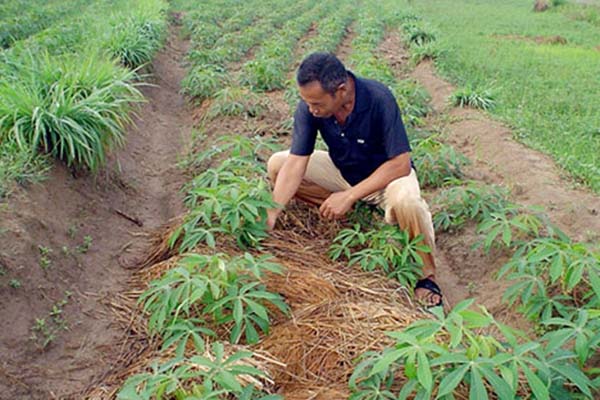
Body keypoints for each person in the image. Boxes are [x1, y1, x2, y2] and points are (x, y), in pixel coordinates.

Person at [266, 52, 442, 307]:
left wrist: (349, 196)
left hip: (386, 178)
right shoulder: (311, 107)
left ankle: (427, 276)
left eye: (317, 104)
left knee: (408, 203)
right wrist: (272, 212)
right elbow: (296, 162)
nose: (311, 109)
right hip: (343, 172)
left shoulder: (378, 98)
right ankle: (349, 213)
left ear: (341, 90)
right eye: (307, 103)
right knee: (278, 165)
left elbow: (401, 163)